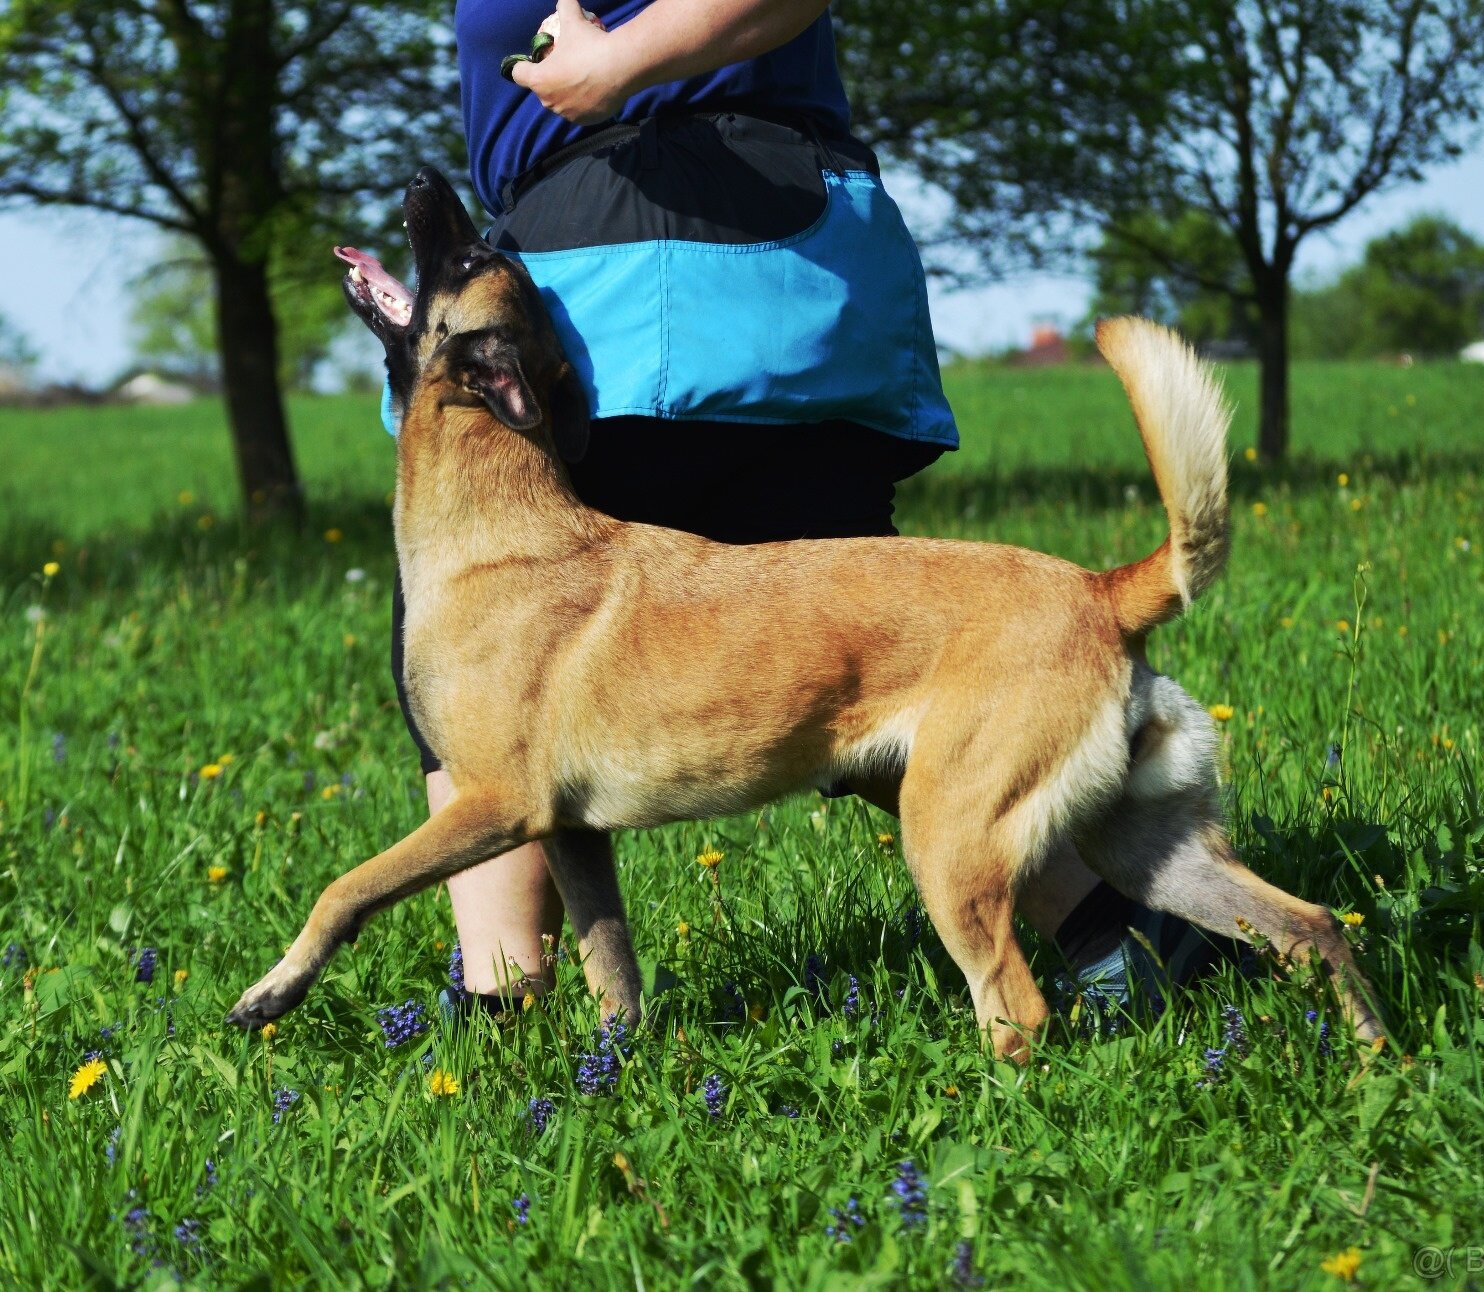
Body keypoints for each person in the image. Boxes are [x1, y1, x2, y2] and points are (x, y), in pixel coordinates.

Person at [401, 0, 1234, 1020]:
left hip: (619, 287)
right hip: (796, 283)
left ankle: (504, 1020)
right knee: (873, 663)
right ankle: (1118, 935)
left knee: (484, 692)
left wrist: (620, 60)